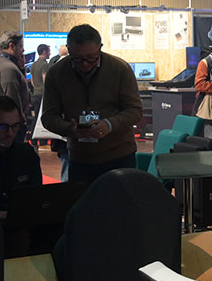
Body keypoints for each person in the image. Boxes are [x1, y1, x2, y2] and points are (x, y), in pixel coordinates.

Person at [41, 24, 143, 186]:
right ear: (69, 50)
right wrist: (69, 129)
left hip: (119, 156)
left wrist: (109, 124)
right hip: (80, 159)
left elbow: (135, 110)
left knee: (120, 201)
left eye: (91, 58)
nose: (85, 64)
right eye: (78, 59)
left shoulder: (120, 69)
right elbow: (48, 116)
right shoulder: (57, 73)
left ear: (100, 48)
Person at [0, 31, 30, 140]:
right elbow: (13, 99)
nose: (23, 50)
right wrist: (21, 122)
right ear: (11, 46)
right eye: (21, 46)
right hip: (10, 127)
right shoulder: (8, 68)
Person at [29, 44, 51, 141]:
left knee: (36, 117)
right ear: (44, 52)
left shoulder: (33, 65)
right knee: (42, 117)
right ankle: (42, 140)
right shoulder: (45, 65)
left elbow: (32, 81)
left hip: (35, 93)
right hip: (42, 94)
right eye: (49, 51)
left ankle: (33, 139)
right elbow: (45, 80)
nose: (50, 53)